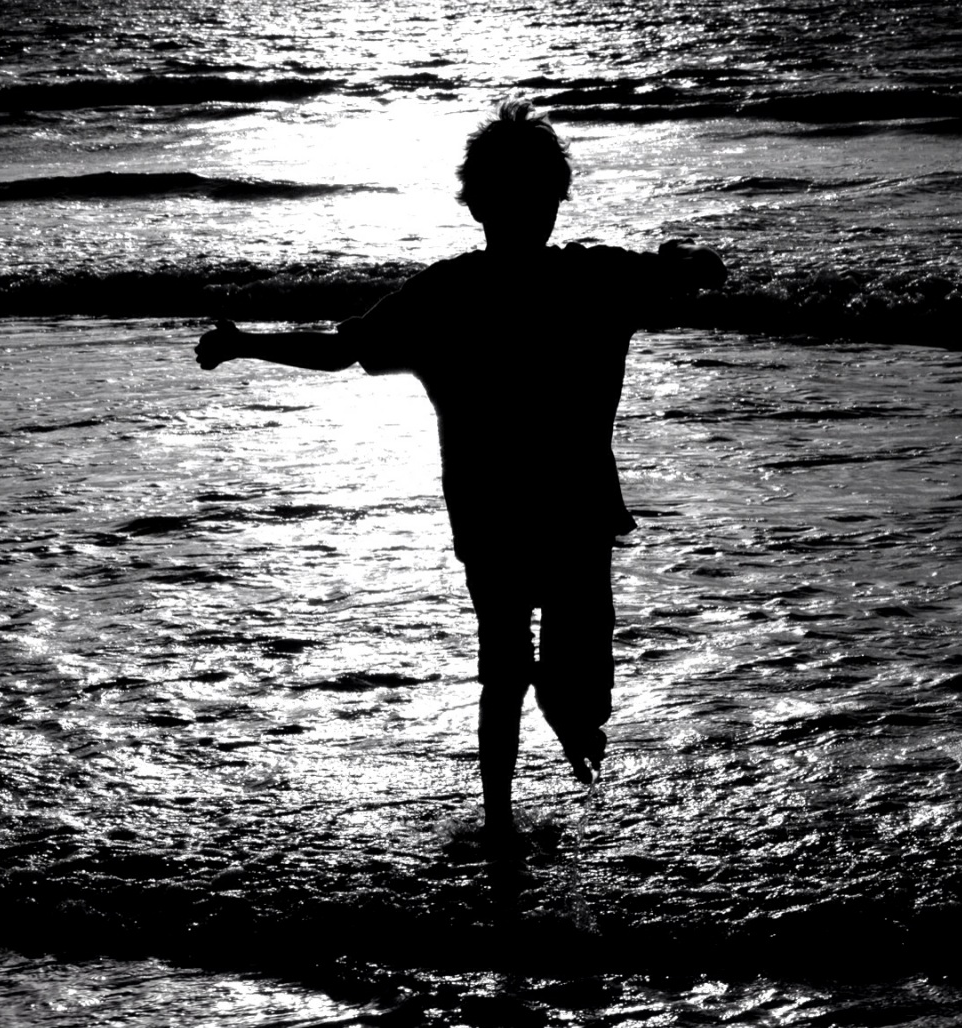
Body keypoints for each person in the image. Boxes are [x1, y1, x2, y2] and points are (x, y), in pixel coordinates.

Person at [194, 99, 726, 844]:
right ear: (518, 200)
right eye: (519, 195)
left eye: (528, 195)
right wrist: (689, 259)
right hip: (562, 513)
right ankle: (515, 795)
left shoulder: (459, 291)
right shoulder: (594, 278)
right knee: (536, 670)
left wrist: (248, 344)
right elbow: (691, 273)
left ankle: (523, 778)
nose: (522, 208)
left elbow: (341, 350)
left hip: (500, 511)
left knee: (520, 673)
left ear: (480, 201)